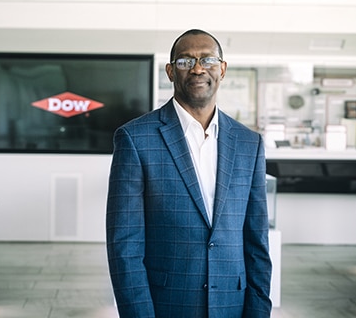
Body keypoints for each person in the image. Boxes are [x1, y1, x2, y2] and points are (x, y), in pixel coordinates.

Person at [106, 29, 272, 317]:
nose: (197, 69)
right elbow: (124, 246)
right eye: (185, 61)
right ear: (171, 72)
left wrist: (258, 312)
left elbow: (257, 242)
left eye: (207, 60)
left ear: (222, 69)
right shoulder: (135, 138)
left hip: (233, 305)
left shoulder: (249, 143)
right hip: (167, 306)